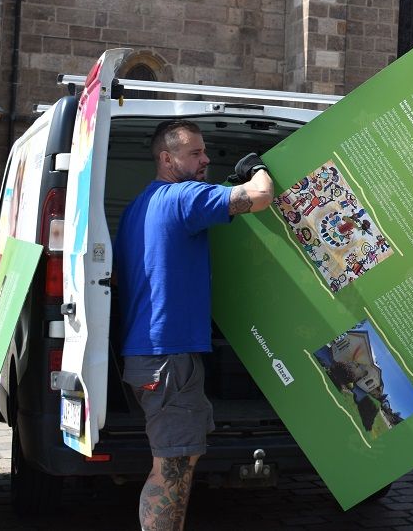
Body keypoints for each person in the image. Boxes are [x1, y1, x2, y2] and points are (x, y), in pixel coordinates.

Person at [113, 120, 275, 531]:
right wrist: (256, 167)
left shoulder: (137, 207)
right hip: (168, 359)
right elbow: (261, 196)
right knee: (172, 468)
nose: (205, 159)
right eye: (195, 153)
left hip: (152, 357)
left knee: (180, 460)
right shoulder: (184, 196)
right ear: (167, 159)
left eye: (205, 151)